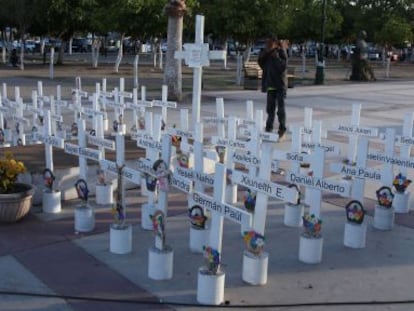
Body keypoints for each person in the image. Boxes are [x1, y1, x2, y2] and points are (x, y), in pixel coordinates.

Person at [258, 34, 288, 140]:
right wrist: (265, 53)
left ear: (275, 43)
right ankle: (268, 128)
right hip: (270, 84)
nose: (268, 45)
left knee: (281, 110)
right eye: (267, 43)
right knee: (270, 110)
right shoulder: (266, 53)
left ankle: (282, 130)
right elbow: (261, 63)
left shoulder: (280, 52)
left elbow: (283, 67)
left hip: (280, 85)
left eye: (270, 43)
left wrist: (276, 56)